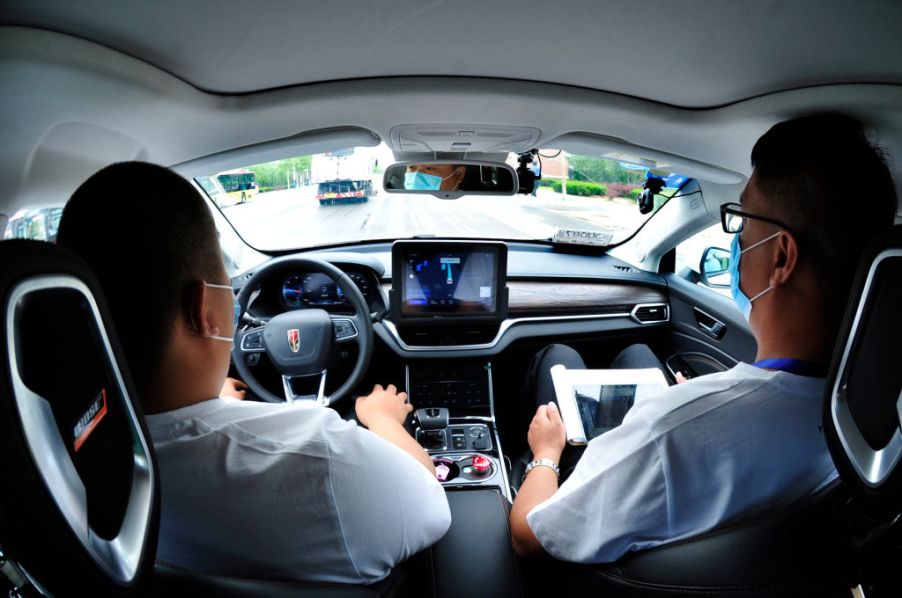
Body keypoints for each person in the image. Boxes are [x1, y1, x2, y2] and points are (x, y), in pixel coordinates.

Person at [509, 113, 898, 562]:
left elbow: (528, 537)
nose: (737, 238)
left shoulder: (670, 433)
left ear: (781, 257)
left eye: (743, 222)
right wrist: (696, 403)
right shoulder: (874, 429)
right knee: (638, 353)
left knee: (557, 357)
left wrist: (546, 453)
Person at [57, 162, 451, 584]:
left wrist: (216, 406)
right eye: (229, 285)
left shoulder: (60, 465)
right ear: (203, 308)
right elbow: (433, 504)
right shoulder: (323, 456)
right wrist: (383, 420)